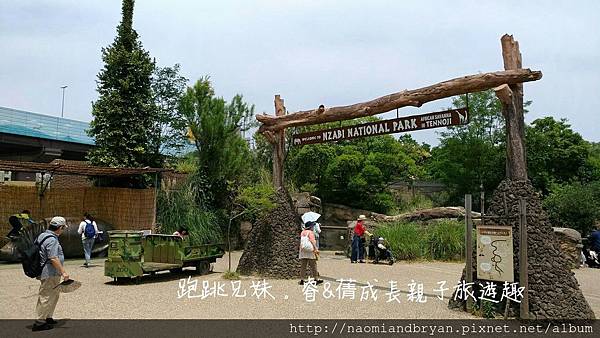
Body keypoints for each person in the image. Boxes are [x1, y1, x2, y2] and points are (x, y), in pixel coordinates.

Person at [32, 216, 70, 332]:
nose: (63, 230)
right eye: (63, 228)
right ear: (60, 227)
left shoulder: (42, 235)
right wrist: (63, 272)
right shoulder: (52, 240)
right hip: (50, 272)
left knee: (53, 295)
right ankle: (39, 322)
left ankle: (48, 317)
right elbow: (53, 258)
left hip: (50, 272)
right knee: (46, 296)